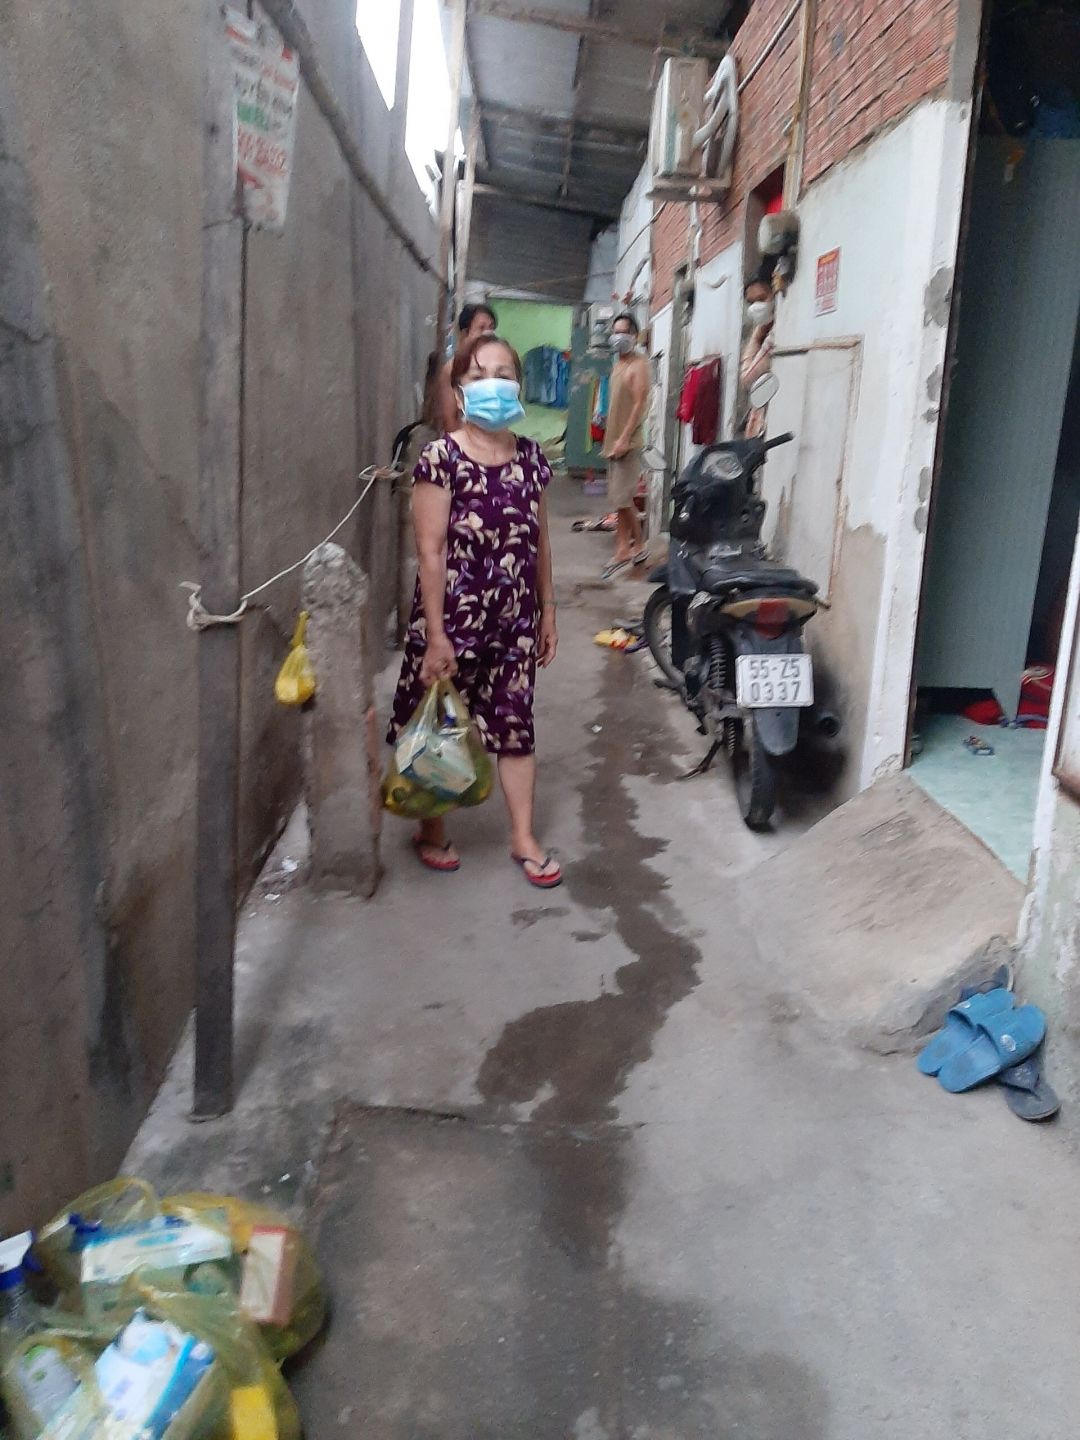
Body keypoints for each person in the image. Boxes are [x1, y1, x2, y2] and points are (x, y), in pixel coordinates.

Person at [388, 333, 562, 889]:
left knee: (515, 724)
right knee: (441, 723)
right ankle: (432, 829)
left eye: (505, 373)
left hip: (514, 622)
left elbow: (539, 540)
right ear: (461, 390)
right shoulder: (442, 458)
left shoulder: (532, 459)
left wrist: (547, 609)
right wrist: (436, 635)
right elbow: (430, 551)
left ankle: (522, 836)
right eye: (480, 374)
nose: (494, 383)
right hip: (452, 620)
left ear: (519, 386)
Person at [601, 313, 651, 578]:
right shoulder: (619, 363)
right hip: (614, 440)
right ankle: (622, 548)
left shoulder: (638, 365)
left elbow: (639, 404)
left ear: (634, 335)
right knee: (618, 500)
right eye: (616, 331)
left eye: (624, 332)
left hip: (627, 443)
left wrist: (624, 438)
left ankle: (639, 545)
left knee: (623, 498)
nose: (618, 337)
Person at [435, 302, 499, 434]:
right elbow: (450, 421)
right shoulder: (452, 369)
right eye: (481, 328)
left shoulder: (497, 365)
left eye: (491, 327)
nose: (488, 333)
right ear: (465, 333)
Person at [740, 272, 776, 438]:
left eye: (761, 299)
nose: (756, 307)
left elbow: (748, 378)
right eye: (751, 303)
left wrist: (756, 337)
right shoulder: (766, 331)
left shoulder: (773, 336)